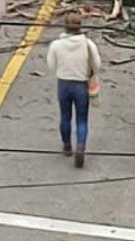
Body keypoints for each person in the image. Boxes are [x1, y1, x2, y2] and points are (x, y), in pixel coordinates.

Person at [45, 9, 104, 167]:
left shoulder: (56, 45)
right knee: (82, 119)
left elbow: (51, 65)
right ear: (80, 26)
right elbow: (97, 65)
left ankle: (66, 146)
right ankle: (81, 147)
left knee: (65, 116)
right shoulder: (88, 44)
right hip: (81, 84)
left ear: (65, 26)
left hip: (64, 83)